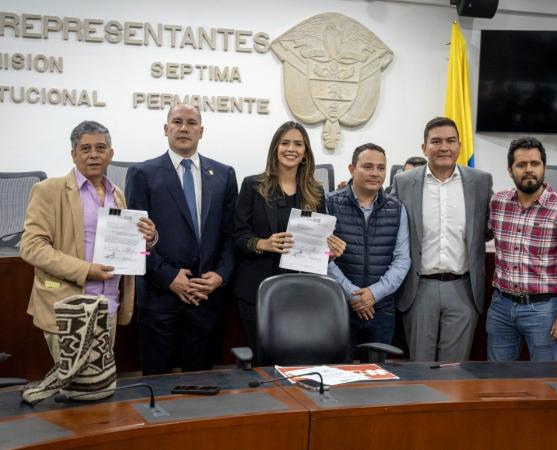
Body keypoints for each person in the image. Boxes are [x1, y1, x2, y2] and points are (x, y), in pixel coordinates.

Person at [20, 120, 157, 361]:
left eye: (100, 148)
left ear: (110, 154)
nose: (93, 155)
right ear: (73, 155)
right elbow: (32, 247)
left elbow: (130, 249)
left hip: (108, 306)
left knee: (99, 387)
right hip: (69, 308)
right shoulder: (48, 190)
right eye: (85, 149)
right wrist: (86, 270)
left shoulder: (118, 194)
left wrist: (147, 241)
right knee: (76, 389)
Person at [125, 104, 238, 374]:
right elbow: (133, 241)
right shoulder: (142, 174)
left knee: (199, 387)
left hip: (205, 297)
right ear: (166, 130)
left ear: (201, 131)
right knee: (157, 385)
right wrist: (168, 277)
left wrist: (220, 275)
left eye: (190, 122)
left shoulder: (224, 175)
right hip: (159, 297)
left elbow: (231, 235)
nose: (184, 128)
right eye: (177, 122)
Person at [231, 121, 345, 352]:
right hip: (257, 290)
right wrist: (264, 243)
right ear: (275, 148)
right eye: (285, 143)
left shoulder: (315, 191)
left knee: (296, 356)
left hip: (301, 290)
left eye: (298, 144)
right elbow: (237, 237)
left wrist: (330, 252)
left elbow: (319, 244)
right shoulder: (253, 186)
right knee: (262, 359)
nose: (291, 149)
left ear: (305, 153)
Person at [391, 117, 493, 362]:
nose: (444, 147)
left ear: (459, 145)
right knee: (420, 368)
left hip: (464, 288)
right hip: (419, 289)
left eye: (450, 141)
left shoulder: (480, 181)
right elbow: (390, 225)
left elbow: (488, 227)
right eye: (436, 141)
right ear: (424, 147)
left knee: (453, 371)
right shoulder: (403, 182)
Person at [486, 137, 557, 361]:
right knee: (496, 382)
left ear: (544, 166)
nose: (529, 170)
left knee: (543, 382)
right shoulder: (498, 203)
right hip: (501, 308)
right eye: (521, 165)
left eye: (535, 163)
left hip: (544, 310)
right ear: (510, 170)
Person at [327, 143, 410, 354]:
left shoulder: (397, 208)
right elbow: (322, 257)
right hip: (338, 305)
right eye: (367, 166)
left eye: (381, 168)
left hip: (380, 308)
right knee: (337, 373)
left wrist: (373, 294)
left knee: (377, 376)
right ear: (352, 169)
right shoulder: (329, 204)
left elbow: (402, 260)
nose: (375, 173)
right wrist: (352, 294)